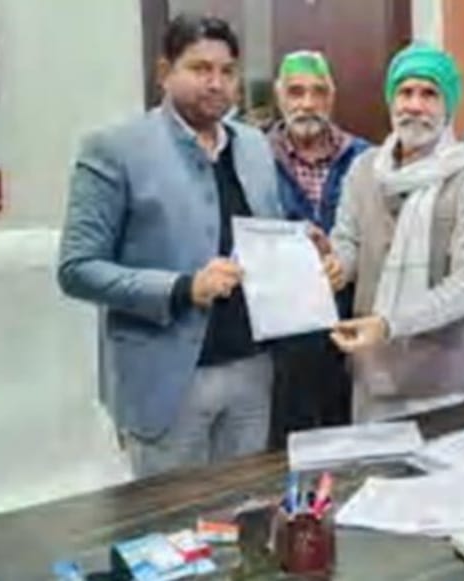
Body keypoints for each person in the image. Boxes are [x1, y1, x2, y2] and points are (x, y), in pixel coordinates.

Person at [58, 15, 295, 477]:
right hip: (167, 379)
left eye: (227, 71)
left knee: (241, 508)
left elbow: (265, 233)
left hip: (252, 370)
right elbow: (77, 268)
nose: (217, 83)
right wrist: (183, 288)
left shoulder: (253, 146)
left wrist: (301, 247)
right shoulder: (115, 149)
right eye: (200, 68)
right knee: (174, 519)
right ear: (164, 72)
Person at [327, 43, 464, 422]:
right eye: (405, 92)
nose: (415, 105)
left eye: (429, 94)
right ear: (391, 100)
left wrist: (389, 323)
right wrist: (337, 264)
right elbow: (349, 239)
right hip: (372, 372)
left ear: (448, 106)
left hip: (443, 382)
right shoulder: (364, 169)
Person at [265, 50, 369, 442]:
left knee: (347, 446)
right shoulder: (254, 156)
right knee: (283, 448)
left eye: (318, 91)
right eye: (296, 92)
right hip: (279, 340)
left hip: (349, 330)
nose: (307, 103)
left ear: (332, 97)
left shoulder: (365, 158)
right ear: (279, 96)